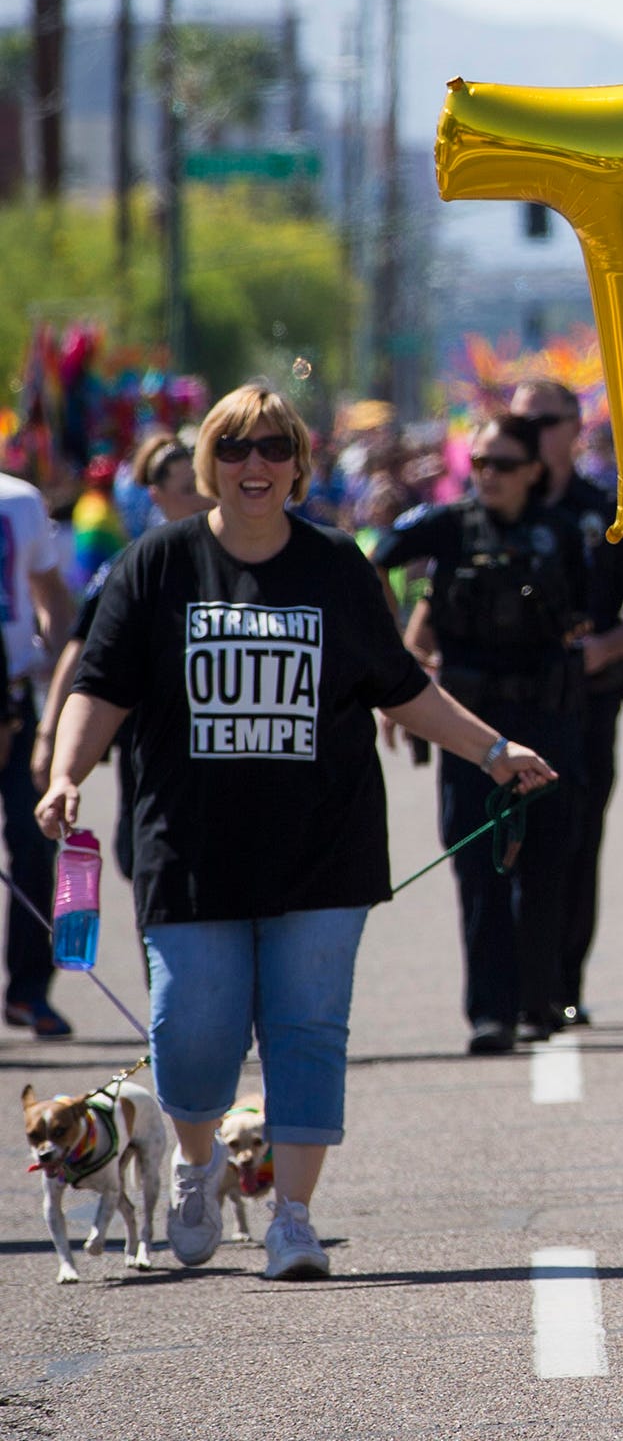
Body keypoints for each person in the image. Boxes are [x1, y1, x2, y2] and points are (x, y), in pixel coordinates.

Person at [35, 385, 561, 1281]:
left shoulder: (335, 565)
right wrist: (65, 775)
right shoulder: (156, 565)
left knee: (307, 1030)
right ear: (209, 460)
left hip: (323, 846)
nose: (254, 464)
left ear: (297, 463)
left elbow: (400, 684)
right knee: (192, 1027)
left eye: (273, 447)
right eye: (234, 447)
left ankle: (295, 1219)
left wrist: (494, 749)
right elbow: (103, 683)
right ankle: (199, 1170)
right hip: (189, 848)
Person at [372, 414, 615, 1053]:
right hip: (469, 727)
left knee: (546, 864)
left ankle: (540, 1002)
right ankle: (490, 1014)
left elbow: (592, 616)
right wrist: (397, 662)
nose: (489, 476)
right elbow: (370, 563)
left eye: (503, 464)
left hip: (548, 719)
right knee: (477, 867)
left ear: (534, 470)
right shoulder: (445, 527)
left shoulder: (565, 533)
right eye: (479, 463)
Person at [504, 379, 623, 1029]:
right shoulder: (493, 504)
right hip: (508, 700)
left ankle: (560, 981)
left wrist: (605, 648)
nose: (531, 434)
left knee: (574, 842)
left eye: (545, 420)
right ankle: (513, 986)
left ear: (575, 428)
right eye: (520, 422)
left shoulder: (602, 509)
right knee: (505, 843)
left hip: (586, 700)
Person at [35, 433, 206, 884]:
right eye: (189, 488)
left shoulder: (241, 561)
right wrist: (50, 736)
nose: (203, 498)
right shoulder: (135, 567)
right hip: (149, 747)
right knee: (150, 867)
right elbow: (81, 646)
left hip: (217, 759)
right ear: (157, 495)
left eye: (207, 483)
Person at [2, 451, 82, 1035]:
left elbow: (51, 594)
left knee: (35, 840)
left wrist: (64, 679)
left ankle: (29, 989)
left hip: (16, 693)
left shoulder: (20, 500)